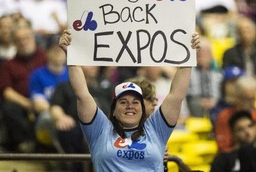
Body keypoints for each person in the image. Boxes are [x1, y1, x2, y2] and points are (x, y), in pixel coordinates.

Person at [58, 29, 200, 171]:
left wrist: (188, 56)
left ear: (142, 109)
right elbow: (82, 94)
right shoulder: (100, 130)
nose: (130, 106)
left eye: (135, 102)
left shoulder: (156, 129)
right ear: (113, 110)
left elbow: (176, 96)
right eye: (123, 102)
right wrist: (71, 56)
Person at [0, 19, 47, 152]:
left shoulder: (45, 57)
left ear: (33, 38)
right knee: (9, 108)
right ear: (14, 43)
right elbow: (6, 91)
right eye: (19, 39)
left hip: (46, 99)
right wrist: (28, 104)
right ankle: (26, 142)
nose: (23, 42)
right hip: (22, 103)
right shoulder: (8, 64)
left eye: (26, 38)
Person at [215, 76, 256, 153]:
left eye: (254, 98)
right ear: (238, 98)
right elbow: (223, 148)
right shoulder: (225, 117)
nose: (253, 103)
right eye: (248, 99)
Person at [186, 37, 222, 117]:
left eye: (206, 52)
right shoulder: (189, 70)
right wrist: (201, 101)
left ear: (211, 55)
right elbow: (187, 92)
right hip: (195, 103)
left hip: (215, 102)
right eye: (200, 52)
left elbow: (221, 91)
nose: (203, 55)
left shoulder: (218, 71)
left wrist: (214, 101)